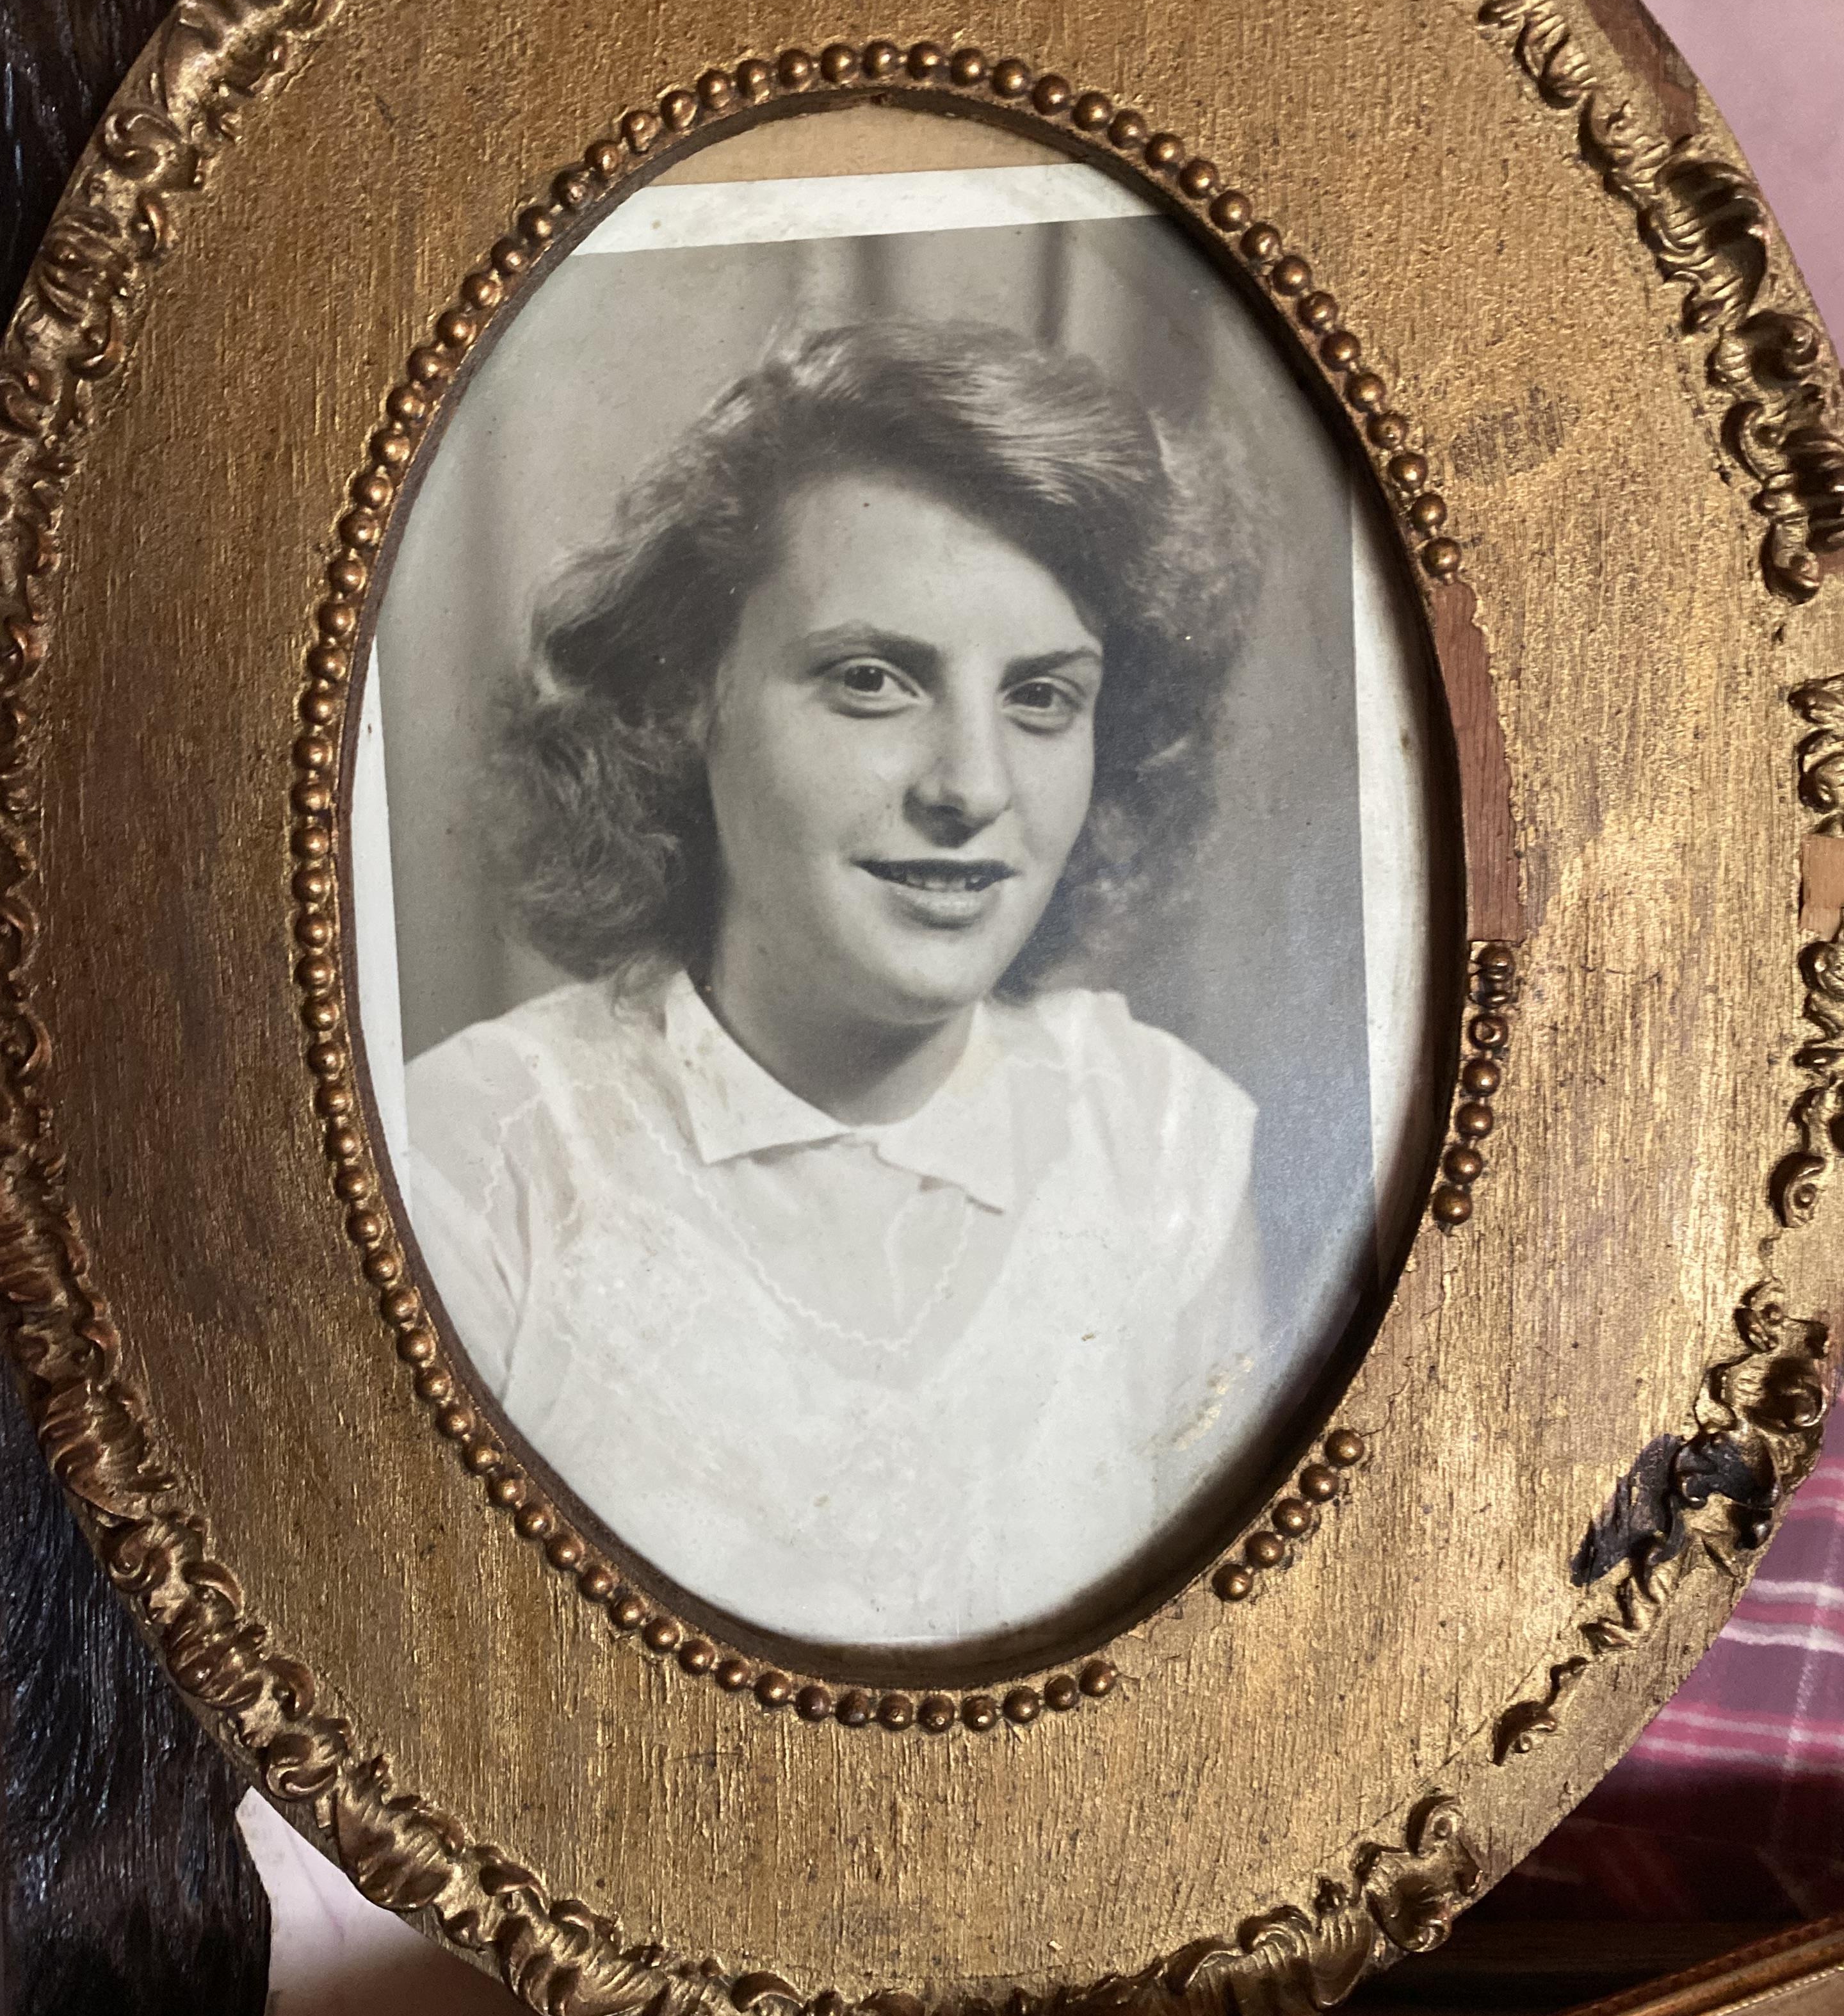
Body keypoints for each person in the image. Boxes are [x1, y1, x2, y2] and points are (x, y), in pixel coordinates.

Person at [402, 320, 1262, 1659]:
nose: (971, 788)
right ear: (689, 700)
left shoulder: (1161, 1146)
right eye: (873, 680)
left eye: (1041, 698)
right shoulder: (481, 1157)